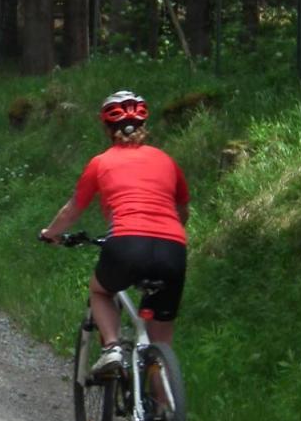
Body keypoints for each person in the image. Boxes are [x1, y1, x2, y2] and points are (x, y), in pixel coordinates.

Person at [39, 90, 190, 378]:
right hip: (173, 249)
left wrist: (51, 233)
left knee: (100, 291)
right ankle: (165, 416)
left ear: (108, 129)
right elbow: (182, 211)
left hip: (126, 244)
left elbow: (72, 210)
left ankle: (112, 348)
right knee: (160, 343)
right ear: (144, 127)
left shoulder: (101, 162)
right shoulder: (167, 161)